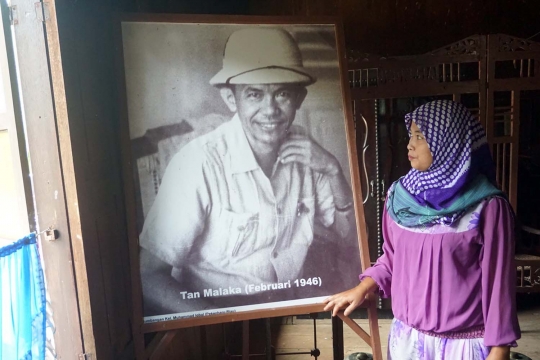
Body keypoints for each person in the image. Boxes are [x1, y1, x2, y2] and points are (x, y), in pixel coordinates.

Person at [139, 27, 356, 315]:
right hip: (215, 311)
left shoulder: (307, 150)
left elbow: (347, 240)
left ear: (299, 99)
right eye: (254, 94)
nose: (270, 111)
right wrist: (222, 322)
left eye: (282, 94)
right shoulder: (198, 163)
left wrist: (333, 169)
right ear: (231, 99)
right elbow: (149, 276)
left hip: (288, 306)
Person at [323, 100, 521, 359]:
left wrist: (500, 348)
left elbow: (499, 285)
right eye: (410, 135)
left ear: (448, 141)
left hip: (465, 345)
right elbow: (392, 259)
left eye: (420, 136)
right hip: (408, 340)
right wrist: (362, 288)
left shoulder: (487, 207)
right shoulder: (399, 197)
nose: (410, 144)